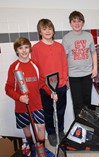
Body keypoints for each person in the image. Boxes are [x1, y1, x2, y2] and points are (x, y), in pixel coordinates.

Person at [5, 37, 55, 157]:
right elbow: (8, 88)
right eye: (20, 48)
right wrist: (19, 97)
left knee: (41, 126)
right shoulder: (14, 67)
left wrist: (51, 93)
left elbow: (42, 83)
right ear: (16, 50)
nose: (24, 50)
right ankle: (33, 147)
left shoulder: (35, 65)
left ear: (30, 49)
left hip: (36, 104)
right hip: (22, 105)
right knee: (26, 128)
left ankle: (41, 149)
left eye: (26, 47)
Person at [31, 19, 68, 147]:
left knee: (61, 110)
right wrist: (47, 88)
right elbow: (36, 70)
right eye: (44, 29)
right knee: (48, 112)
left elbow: (64, 65)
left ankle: (60, 131)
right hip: (45, 87)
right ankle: (51, 133)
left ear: (53, 31)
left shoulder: (59, 47)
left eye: (50, 28)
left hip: (61, 86)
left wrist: (63, 82)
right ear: (40, 31)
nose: (48, 31)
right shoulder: (35, 48)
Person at [62, 10, 97, 117]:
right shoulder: (66, 38)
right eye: (74, 21)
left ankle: (88, 126)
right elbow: (63, 59)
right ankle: (79, 128)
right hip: (73, 76)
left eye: (79, 21)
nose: (77, 24)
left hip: (87, 74)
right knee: (77, 104)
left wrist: (95, 68)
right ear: (70, 23)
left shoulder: (88, 36)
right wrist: (65, 77)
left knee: (87, 102)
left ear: (83, 22)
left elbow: (93, 52)